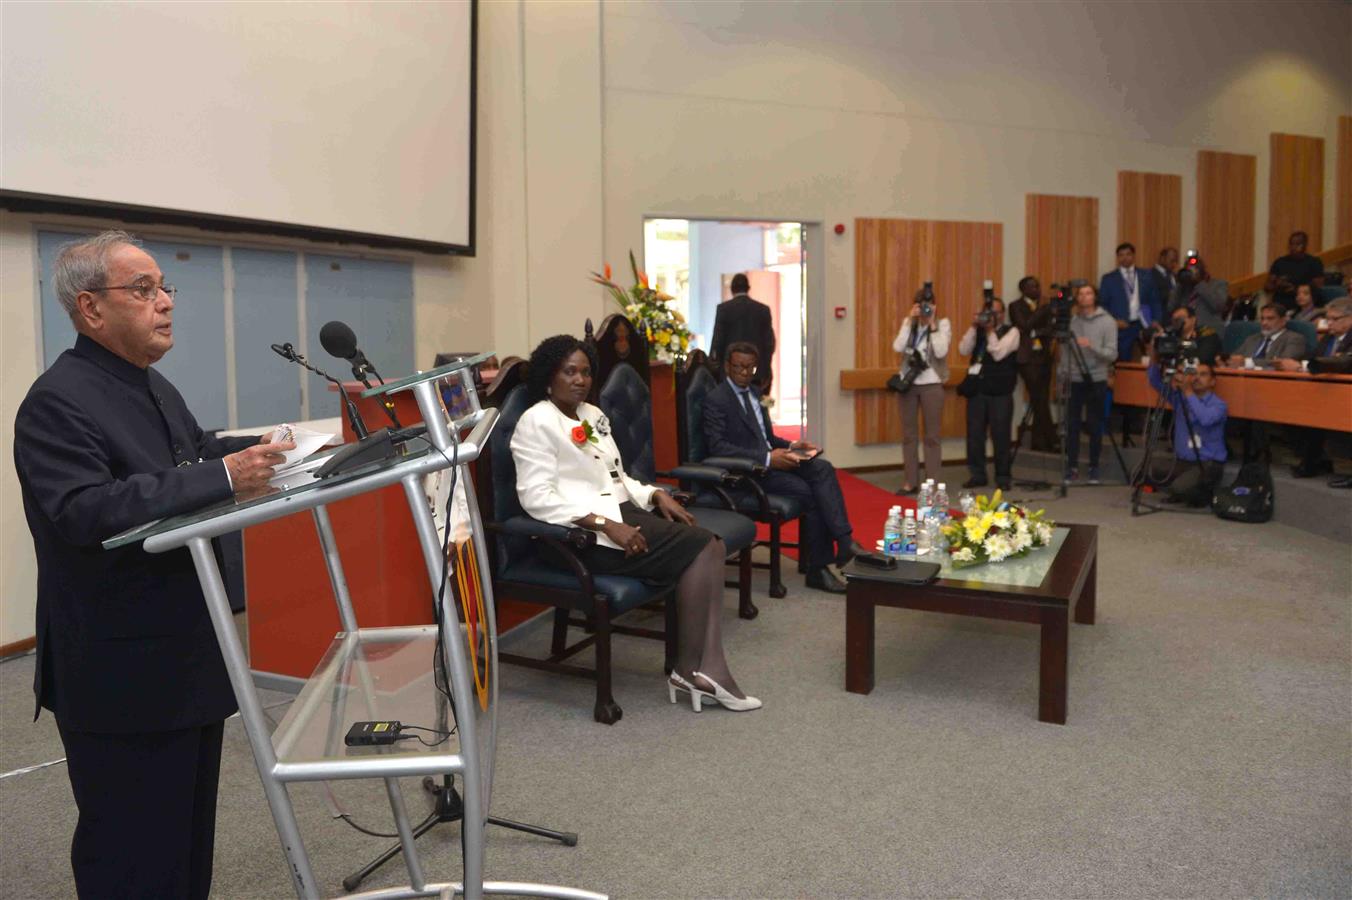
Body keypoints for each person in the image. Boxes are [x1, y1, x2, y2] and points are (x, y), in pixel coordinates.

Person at [12, 231, 295, 898]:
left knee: (183, 837)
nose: (165, 302)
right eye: (144, 290)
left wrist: (282, 444)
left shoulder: (150, 385)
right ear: (91, 309)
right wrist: (224, 473)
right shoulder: (57, 399)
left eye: (166, 287)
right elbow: (85, 510)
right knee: (131, 847)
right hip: (121, 670)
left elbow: (191, 453)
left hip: (185, 651)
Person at [511, 335, 761, 711]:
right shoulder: (536, 422)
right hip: (580, 538)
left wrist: (654, 494)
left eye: (586, 372)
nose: (580, 380)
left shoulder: (591, 415)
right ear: (549, 377)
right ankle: (696, 670)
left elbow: (616, 477)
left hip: (623, 514)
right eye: (569, 372)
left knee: (712, 546)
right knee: (705, 546)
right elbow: (537, 499)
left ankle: (701, 668)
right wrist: (605, 525)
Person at [703, 342, 865, 595]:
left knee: (822, 468)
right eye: (738, 367)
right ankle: (819, 568)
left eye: (750, 368)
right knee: (809, 492)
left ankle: (844, 543)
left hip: (772, 460)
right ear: (727, 366)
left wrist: (792, 445)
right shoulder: (716, 400)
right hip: (747, 472)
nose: (745, 373)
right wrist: (767, 459)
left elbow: (766, 437)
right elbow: (718, 447)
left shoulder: (756, 394)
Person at [1275, 298, 1352, 483]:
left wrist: (1302, 366)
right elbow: (1313, 358)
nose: (1329, 323)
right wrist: (1297, 364)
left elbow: (1345, 364)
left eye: (1335, 319)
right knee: (1296, 411)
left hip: (1346, 394)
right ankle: (1313, 461)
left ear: (1350, 319)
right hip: (1326, 393)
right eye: (1328, 319)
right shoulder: (1328, 338)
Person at [1144, 352, 1228, 507]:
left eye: (1203, 375)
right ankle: (1183, 489)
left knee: (1179, 488)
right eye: (1194, 374)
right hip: (1183, 462)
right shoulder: (1180, 399)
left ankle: (1191, 491)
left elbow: (1205, 419)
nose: (1196, 378)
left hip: (1207, 463)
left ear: (1213, 382)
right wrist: (1154, 356)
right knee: (1146, 471)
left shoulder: (1219, 405)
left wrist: (1188, 391)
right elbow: (1154, 381)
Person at [890, 287, 952, 493]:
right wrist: (909, 321)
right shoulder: (910, 324)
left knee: (932, 437)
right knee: (909, 435)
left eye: (929, 304)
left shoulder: (943, 324)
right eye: (921, 305)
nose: (925, 308)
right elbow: (898, 347)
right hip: (908, 384)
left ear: (935, 305)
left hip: (932, 384)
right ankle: (911, 481)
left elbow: (942, 351)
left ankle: (932, 484)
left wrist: (932, 325)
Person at [959, 298, 1020, 489]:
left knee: (1001, 436)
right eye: (988, 312)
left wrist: (991, 331)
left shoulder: (1012, 331)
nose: (992, 316)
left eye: (996, 312)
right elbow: (963, 349)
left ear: (1002, 314)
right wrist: (972, 327)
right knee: (975, 435)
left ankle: (1003, 477)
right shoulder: (978, 331)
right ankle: (977, 474)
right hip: (978, 391)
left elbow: (998, 353)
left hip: (1000, 392)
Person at [1060, 283, 1117, 483]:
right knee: (1072, 424)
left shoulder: (1107, 321)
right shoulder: (1072, 321)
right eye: (1081, 294)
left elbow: (1112, 354)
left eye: (1088, 293)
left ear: (1095, 297)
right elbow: (1065, 352)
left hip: (1097, 378)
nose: (1084, 297)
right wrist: (1062, 373)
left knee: (1094, 424)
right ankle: (1072, 466)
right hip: (1073, 378)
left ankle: (1094, 466)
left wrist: (1091, 347)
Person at [1008, 276, 1057, 452]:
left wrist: (1037, 331)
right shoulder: (1015, 306)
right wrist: (1042, 312)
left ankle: (1039, 442)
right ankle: (1052, 438)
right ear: (1023, 289)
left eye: (1038, 285)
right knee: (1039, 397)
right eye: (1032, 286)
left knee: (1041, 398)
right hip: (1027, 359)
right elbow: (1025, 325)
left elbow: (1051, 329)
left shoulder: (1046, 307)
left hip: (1044, 357)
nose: (1037, 289)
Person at [709, 272, 775, 388]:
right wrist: (765, 369)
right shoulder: (763, 310)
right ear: (748, 288)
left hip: (731, 374)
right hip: (757, 372)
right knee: (756, 404)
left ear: (732, 289)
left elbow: (717, 342)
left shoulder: (724, 309)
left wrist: (714, 370)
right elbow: (769, 343)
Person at [1099, 242, 1161, 363]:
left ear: (1133, 256)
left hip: (1144, 323)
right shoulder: (1109, 279)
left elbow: (1155, 300)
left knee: (1149, 358)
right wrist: (1114, 321)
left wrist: (1156, 320)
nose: (1125, 257)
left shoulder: (1146, 275)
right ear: (1117, 258)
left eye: (1128, 254)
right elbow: (1102, 305)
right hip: (1122, 325)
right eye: (1121, 255)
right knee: (1123, 359)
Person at [1223, 303, 1306, 369]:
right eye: (1262, 319)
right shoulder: (1253, 338)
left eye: (1270, 319)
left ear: (1283, 321)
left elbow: (1282, 364)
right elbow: (1236, 358)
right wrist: (1225, 361)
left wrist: (1248, 362)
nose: (1264, 323)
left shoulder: (1294, 339)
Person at [1268, 231, 1325, 310]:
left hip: (1302, 304)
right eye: (1291, 244)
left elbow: (1317, 287)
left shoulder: (1314, 262)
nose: (1293, 247)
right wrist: (1277, 284)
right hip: (1280, 302)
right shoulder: (1280, 262)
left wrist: (1296, 289)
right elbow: (1267, 287)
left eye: (1298, 244)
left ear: (1305, 245)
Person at [1172, 254, 1228, 332]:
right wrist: (1179, 284)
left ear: (1203, 270)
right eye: (1189, 270)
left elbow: (1219, 306)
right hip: (1186, 331)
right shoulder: (1184, 287)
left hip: (1210, 332)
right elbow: (1171, 307)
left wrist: (1199, 283)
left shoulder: (1218, 284)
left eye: (1195, 269)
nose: (1191, 273)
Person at [1151, 305, 1221, 366]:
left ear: (1193, 319)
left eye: (1181, 318)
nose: (1177, 322)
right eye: (1174, 320)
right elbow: (1160, 358)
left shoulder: (1207, 335)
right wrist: (1158, 342)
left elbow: (1203, 358)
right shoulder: (1171, 335)